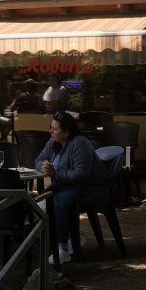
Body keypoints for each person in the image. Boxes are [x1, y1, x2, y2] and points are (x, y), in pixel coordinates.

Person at [34, 111, 108, 266]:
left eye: (54, 129)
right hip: (65, 184)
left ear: (66, 132)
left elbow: (81, 174)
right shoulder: (53, 142)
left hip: (88, 188)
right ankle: (68, 239)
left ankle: (62, 248)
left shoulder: (79, 143)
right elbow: (39, 159)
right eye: (50, 127)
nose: (51, 131)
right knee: (41, 200)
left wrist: (56, 174)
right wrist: (43, 166)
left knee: (59, 201)